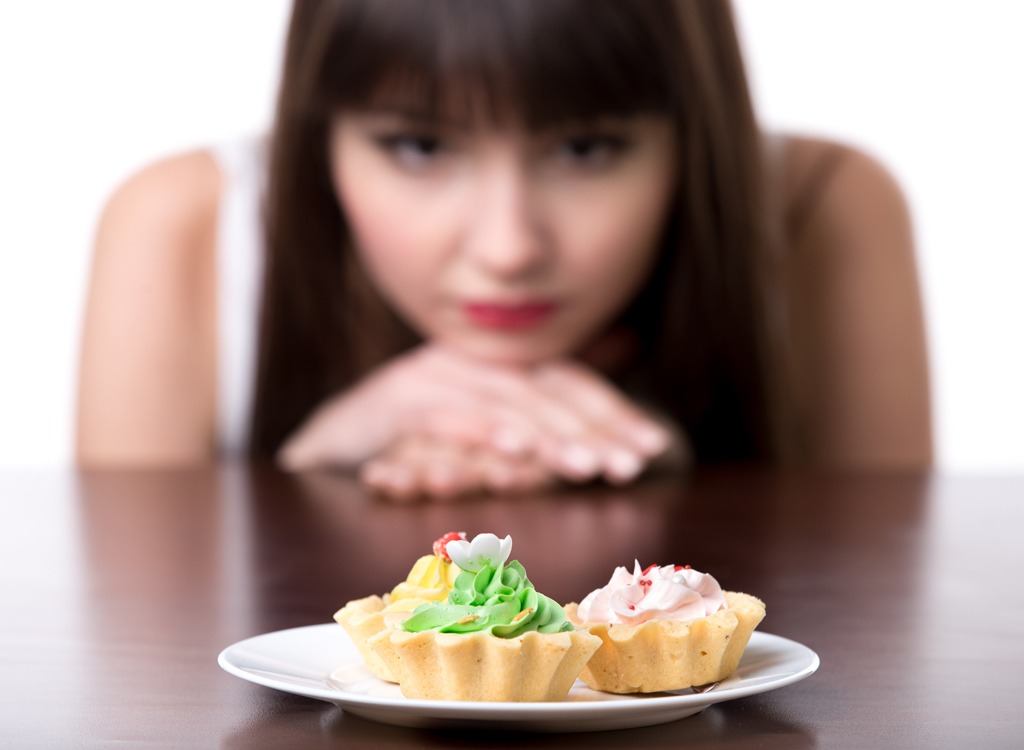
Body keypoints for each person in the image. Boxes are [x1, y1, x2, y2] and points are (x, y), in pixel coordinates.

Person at [76, 0, 932, 499]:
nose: (509, 248)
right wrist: (317, 466)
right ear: (317, 133)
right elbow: (132, 659)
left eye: (587, 149)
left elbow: (886, 617)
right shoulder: (186, 225)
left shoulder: (822, 211)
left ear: (692, 133)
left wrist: (642, 473)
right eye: (418, 146)